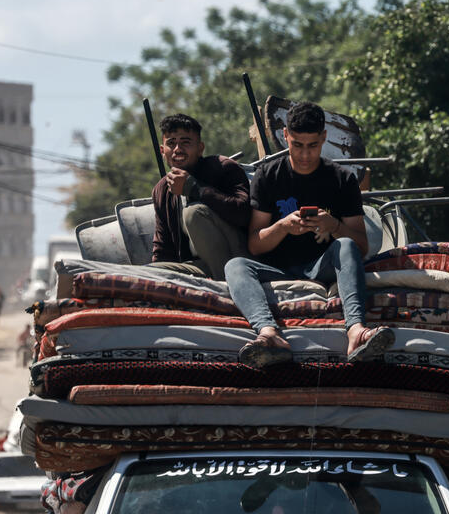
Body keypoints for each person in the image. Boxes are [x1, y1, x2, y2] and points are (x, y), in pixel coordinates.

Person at [223, 102, 394, 367]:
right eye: (297, 145)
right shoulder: (268, 176)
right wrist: (282, 227)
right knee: (235, 265)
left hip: (322, 267)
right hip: (277, 270)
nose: (304, 155)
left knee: (346, 245)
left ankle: (356, 331)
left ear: (324, 137)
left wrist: (334, 226)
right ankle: (269, 334)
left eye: (312, 145)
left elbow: (360, 247)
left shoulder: (342, 179)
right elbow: (255, 246)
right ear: (286, 136)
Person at [150, 113, 253, 281]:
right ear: (162, 151)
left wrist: (195, 188)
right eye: (171, 143)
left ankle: (229, 288)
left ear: (200, 148)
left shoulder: (222, 168)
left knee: (194, 214)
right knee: (150, 271)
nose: (177, 149)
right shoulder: (161, 190)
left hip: (240, 262)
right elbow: (163, 247)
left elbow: (244, 214)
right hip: (199, 266)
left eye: (185, 142)